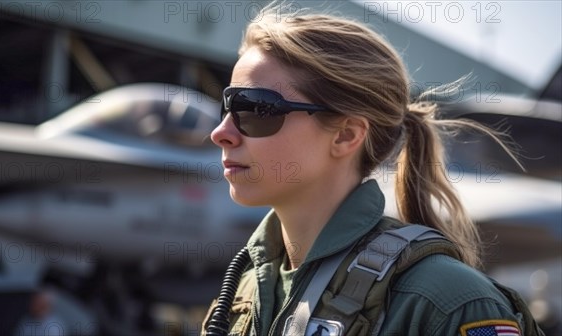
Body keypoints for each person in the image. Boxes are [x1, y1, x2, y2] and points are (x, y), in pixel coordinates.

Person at [202, 4, 541, 336]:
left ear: (347, 135)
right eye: (228, 107)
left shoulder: (449, 302)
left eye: (255, 109)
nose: (221, 133)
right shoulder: (245, 291)